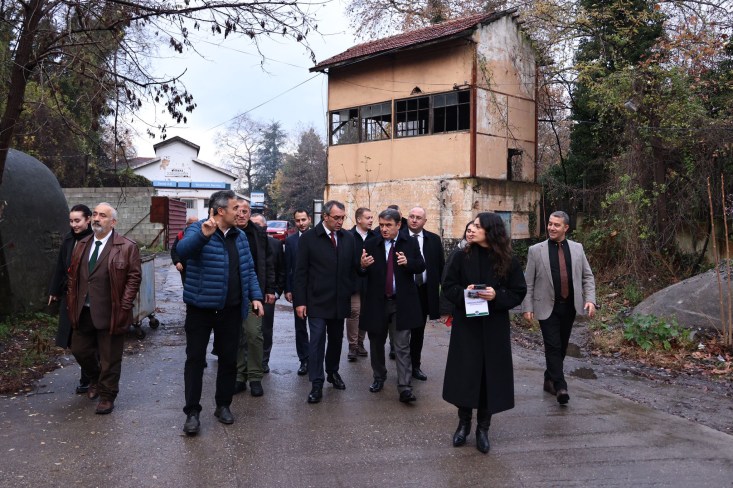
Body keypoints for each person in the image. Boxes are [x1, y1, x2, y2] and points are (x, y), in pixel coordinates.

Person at [175, 190, 264, 435]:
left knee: (228, 359)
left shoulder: (240, 236)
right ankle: (192, 412)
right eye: (235, 208)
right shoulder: (198, 230)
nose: (240, 213)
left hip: (231, 309)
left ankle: (223, 405)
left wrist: (255, 297)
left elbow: (248, 270)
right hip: (200, 309)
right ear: (221, 211)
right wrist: (203, 236)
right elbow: (182, 251)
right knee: (195, 360)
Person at [441, 212, 527, 453]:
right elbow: (448, 286)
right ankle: (463, 424)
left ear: (490, 231)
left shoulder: (508, 260)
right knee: (465, 375)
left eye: (478, 226)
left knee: (490, 377)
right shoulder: (461, 255)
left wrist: (497, 295)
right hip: (467, 327)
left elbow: (518, 291)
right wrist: (465, 293)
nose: (473, 229)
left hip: (494, 327)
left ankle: (483, 429)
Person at [66, 202, 142, 415]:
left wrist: (125, 305)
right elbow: (73, 276)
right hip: (83, 310)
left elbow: (134, 278)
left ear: (113, 222)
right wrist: (71, 300)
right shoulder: (82, 244)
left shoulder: (127, 246)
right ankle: (95, 378)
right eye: (95, 214)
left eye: (103, 215)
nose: (97, 218)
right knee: (79, 349)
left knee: (110, 358)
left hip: (112, 311)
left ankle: (107, 397)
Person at [522, 211, 596, 405]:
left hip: (569, 306)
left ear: (566, 228)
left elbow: (587, 276)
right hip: (546, 306)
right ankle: (561, 386)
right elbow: (528, 282)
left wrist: (590, 299)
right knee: (553, 346)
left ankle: (549, 380)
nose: (551, 228)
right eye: (550, 224)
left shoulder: (577, 249)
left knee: (561, 346)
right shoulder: (536, 250)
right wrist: (527, 306)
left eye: (556, 225)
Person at [293, 200, 358, 404]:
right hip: (316, 300)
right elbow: (300, 272)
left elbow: (353, 269)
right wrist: (300, 301)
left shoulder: (348, 238)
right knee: (317, 340)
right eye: (336, 218)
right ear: (325, 216)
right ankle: (316, 382)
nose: (340, 221)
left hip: (339, 300)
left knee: (336, 339)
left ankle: (332, 372)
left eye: (342, 218)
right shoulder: (309, 238)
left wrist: (363, 267)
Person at [359, 208, 425, 403]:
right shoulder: (371, 243)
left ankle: (405, 387)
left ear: (398, 225)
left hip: (401, 303)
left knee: (402, 345)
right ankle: (379, 377)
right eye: (381, 225)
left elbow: (421, 265)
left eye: (388, 225)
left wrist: (408, 263)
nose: (384, 229)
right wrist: (362, 266)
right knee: (376, 343)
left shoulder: (409, 243)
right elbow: (359, 271)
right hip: (377, 303)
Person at [48, 204, 93, 394]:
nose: (74, 225)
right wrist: (54, 290)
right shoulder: (68, 239)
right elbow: (60, 265)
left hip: (87, 298)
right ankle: (93, 375)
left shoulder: (95, 240)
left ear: (88, 219)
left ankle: (88, 378)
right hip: (70, 296)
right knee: (72, 340)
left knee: (87, 340)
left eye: (77, 220)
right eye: (71, 221)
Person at [234, 198, 275, 397]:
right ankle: (239, 377)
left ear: (250, 213)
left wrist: (269, 289)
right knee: (237, 336)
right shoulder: (226, 232)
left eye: (245, 211)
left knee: (254, 334)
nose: (241, 215)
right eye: (238, 210)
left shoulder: (259, 234)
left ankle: (255, 377)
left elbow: (268, 262)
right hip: (232, 293)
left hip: (254, 292)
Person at [403, 206, 444, 381]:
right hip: (404, 291)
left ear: (425, 221)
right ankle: (401, 365)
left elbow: (441, 267)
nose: (414, 220)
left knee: (418, 331)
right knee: (402, 331)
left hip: (423, 290)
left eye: (418, 217)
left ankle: (415, 366)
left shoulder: (433, 240)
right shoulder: (400, 238)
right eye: (411, 216)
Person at [250, 213, 285, 374]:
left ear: (265, 227)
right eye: (252, 224)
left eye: (258, 225)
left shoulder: (275, 244)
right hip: (248, 294)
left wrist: (276, 292)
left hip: (267, 295)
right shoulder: (245, 242)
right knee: (248, 331)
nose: (255, 228)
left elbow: (281, 270)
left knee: (265, 329)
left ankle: (263, 361)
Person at [346, 207, 378, 361]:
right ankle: (352, 346)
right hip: (353, 282)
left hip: (370, 281)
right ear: (359, 219)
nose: (371, 220)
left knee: (365, 312)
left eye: (372, 218)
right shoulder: (348, 236)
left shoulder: (375, 237)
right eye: (368, 217)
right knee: (354, 312)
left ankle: (360, 342)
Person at [284, 209, 311, 376]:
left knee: (317, 327)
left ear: (309, 219)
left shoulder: (317, 238)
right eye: (298, 220)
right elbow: (288, 267)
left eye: (303, 219)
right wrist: (288, 289)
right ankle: (304, 360)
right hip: (298, 290)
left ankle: (315, 358)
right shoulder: (290, 241)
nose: (301, 223)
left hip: (316, 290)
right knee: (300, 327)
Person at [170, 216, 198, 283]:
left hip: (197, 267)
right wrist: (177, 262)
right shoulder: (181, 235)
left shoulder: (202, 235)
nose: (194, 226)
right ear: (187, 225)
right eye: (191, 224)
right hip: (184, 267)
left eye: (196, 224)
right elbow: (174, 250)